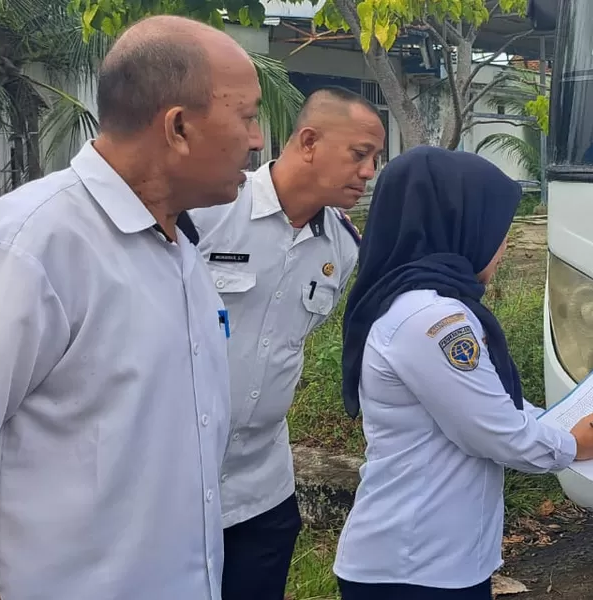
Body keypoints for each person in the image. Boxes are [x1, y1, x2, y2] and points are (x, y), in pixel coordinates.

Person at [0, 14, 263, 600]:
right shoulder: (30, 248)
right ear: (178, 127)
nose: (257, 141)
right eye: (248, 116)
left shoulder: (179, 248)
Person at [333, 146, 593, 600]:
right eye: (498, 230)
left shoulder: (419, 304)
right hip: (415, 567)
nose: (504, 247)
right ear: (459, 225)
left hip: (433, 557)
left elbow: (492, 404)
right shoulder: (432, 319)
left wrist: (565, 422)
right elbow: (495, 431)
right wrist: (572, 445)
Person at [188, 85, 385, 600]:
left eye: (375, 159)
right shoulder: (211, 212)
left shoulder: (341, 247)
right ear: (310, 141)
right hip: (177, 479)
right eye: (359, 154)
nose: (369, 172)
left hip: (262, 488)